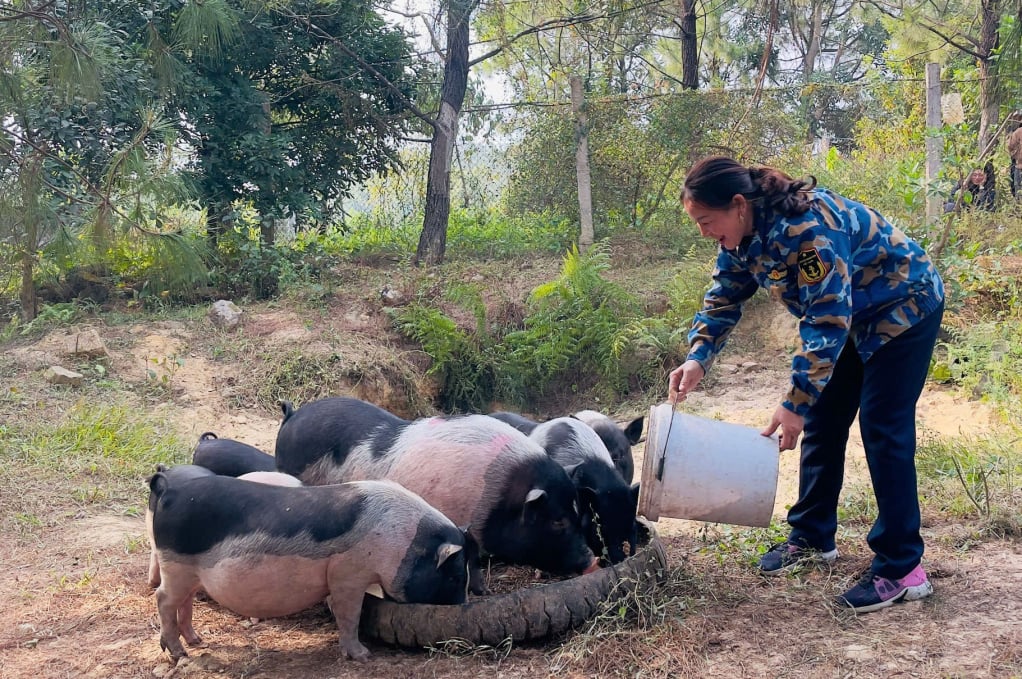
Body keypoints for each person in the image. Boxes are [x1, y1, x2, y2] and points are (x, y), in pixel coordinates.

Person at [667, 155, 945, 614]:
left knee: (882, 428)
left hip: (904, 307)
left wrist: (794, 401)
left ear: (737, 204)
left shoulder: (809, 231)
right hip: (854, 317)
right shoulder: (741, 236)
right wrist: (698, 356)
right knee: (824, 418)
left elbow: (827, 317)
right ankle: (813, 537)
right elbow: (723, 296)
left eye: (706, 220)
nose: (703, 231)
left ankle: (902, 569)